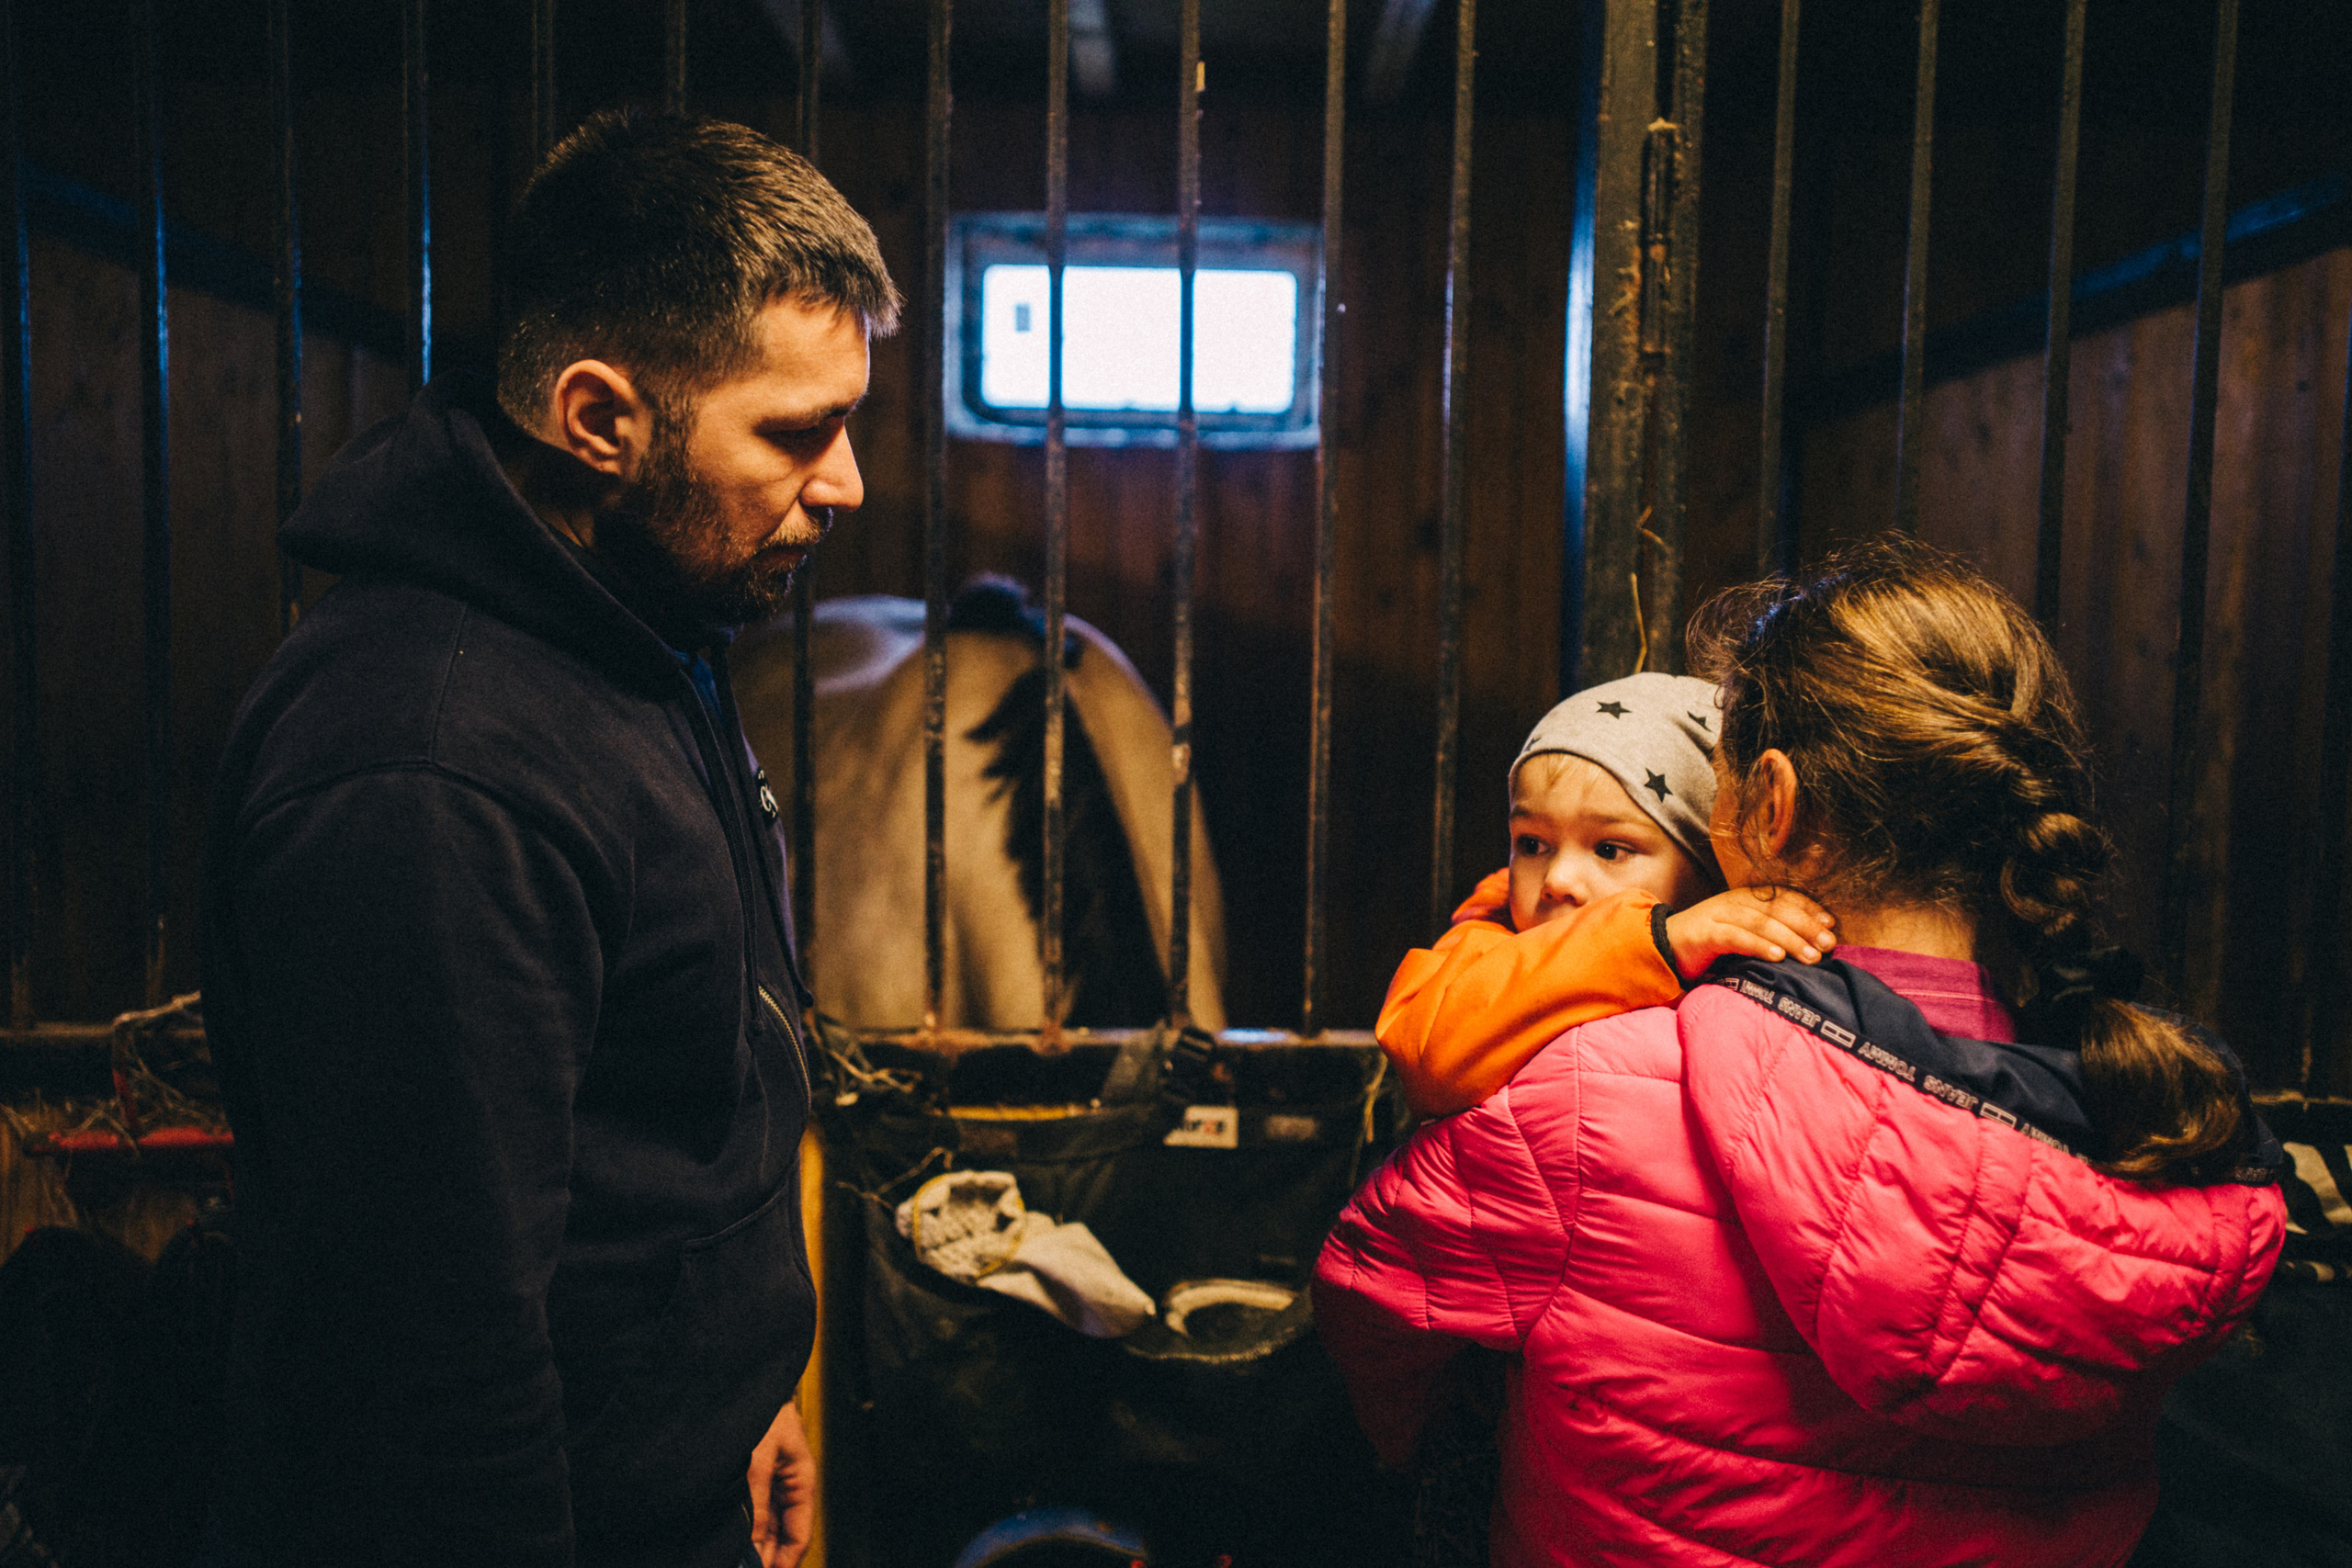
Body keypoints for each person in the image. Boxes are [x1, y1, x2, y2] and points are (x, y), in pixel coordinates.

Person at [199, 111, 899, 1568]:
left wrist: (734, 1403)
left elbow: (646, 1122)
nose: (843, 483)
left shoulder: (640, 619)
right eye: (793, 431)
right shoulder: (430, 772)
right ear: (599, 420)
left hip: (662, 1484)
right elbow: (430, 1358)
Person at [1316, 545, 2288, 1567]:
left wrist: (1454, 1458)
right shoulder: (2148, 1128)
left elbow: (1372, 1303)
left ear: (1769, 805)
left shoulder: (1592, 1096)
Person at [1378, 672, 1836, 1117]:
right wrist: (1655, 940)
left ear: (1707, 871)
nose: (1557, 878)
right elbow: (1426, 1054)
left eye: (1610, 849)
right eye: (1532, 844)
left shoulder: (1747, 970)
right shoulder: (1487, 941)